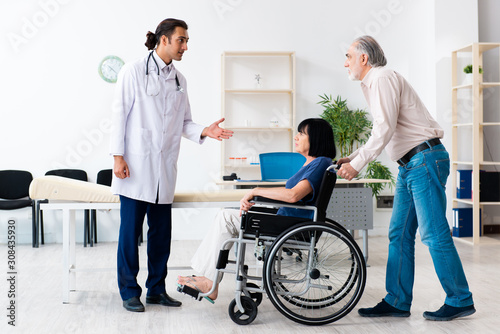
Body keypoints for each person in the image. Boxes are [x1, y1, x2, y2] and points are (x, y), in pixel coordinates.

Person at [339, 35, 475, 321]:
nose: (345, 63)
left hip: (423, 161)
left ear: (364, 58)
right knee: (399, 234)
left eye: (349, 56)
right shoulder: (375, 82)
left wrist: (359, 163)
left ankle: (460, 298)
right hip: (411, 164)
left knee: (433, 233)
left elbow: (384, 127)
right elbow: (385, 127)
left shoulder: (382, 77)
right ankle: (398, 300)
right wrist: (353, 157)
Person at [109, 18, 233, 313]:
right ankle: (129, 291)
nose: (186, 46)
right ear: (164, 40)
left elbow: (185, 122)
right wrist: (117, 156)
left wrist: (205, 131)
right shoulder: (133, 71)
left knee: (161, 235)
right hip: (135, 167)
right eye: (182, 40)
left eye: (187, 41)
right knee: (130, 233)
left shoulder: (180, 80)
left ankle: (156, 290)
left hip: (164, 170)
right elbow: (118, 115)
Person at [177, 118, 336, 302]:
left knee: (225, 217)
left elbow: (293, 195)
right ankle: (208, 278)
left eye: (301, 133)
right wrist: (257, 198)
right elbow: (291, 195)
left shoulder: (319, 163)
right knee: (228, 215)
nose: (296, 137)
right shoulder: (314, 163)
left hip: (290, 225)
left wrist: (255, 191)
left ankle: (210, 282)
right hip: (286, 220)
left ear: (316, 138)